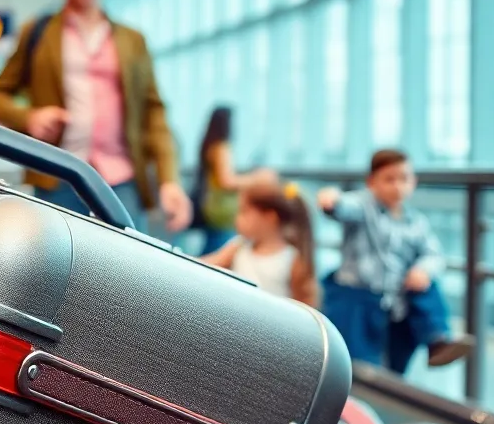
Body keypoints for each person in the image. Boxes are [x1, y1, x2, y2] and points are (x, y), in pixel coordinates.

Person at [0, 0, 191, 232]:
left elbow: (153, 113)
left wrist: (169, 179)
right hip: (58, 175)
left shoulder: (132, 40)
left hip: (122, 180)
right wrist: (29, 118)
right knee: (59, 255)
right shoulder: (39, 33)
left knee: (125, 256)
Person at [318, 149, 474, 374]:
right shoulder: (364, 207)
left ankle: (437, 339)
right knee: (359, 364)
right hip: (360, 299)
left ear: (414, 182)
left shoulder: (416, 222)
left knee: (427, 286)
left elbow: (433, 254)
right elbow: (343, 206)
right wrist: (332, 200)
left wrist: (422, 271)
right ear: (371, 182)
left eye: (404, 179)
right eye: (389, 179)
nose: (398, 186)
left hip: (396, 300)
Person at [201, 180, 319, 308]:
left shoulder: (291, 259)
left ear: (270, 217)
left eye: (244, 212)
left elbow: (304, 307)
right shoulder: (238, 247)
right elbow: (205, 267)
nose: (237, 219)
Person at [194, 106, 275, 254]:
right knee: (219, 253)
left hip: (212, 206)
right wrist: (258, 179)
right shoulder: (222, 147)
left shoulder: (210, 145)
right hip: (223, 210)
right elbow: (227, 181)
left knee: (212, 249)